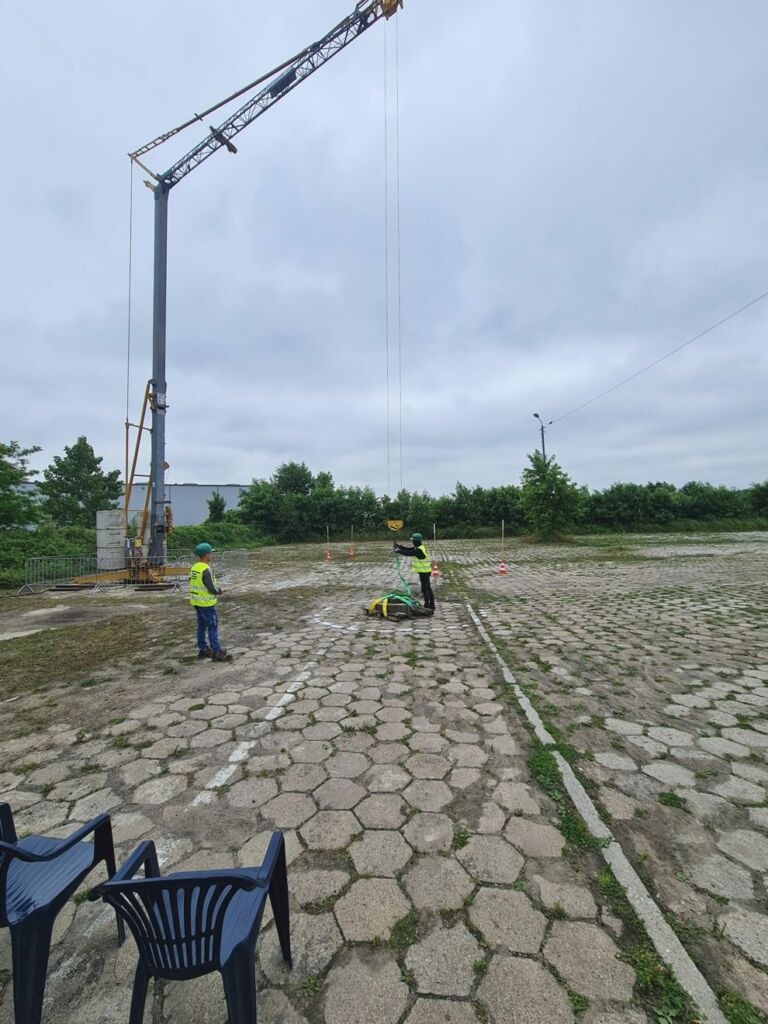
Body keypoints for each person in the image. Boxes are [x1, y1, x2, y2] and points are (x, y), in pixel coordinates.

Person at [189, 542, 233, 662]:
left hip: (197, 602)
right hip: (206, 604)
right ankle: (216, 651)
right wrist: (220, 591)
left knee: (201, 627)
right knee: (212, 626)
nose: (211, 555)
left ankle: (202, 650)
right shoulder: (206, 569)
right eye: (210, 553)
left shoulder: (194, 568)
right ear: (206, 554)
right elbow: (211, 589)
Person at [394, 532, 435, 611]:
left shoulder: (418, 550)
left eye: (413, 541)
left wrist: (398, 551)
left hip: (424, 572)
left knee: (424, 589)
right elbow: (409, 549)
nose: (412, 542)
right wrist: (399, 546)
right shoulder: (420, 547)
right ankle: (432, 605)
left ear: (416, 541)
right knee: (428, 588)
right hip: (425, 571)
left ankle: (427, 605)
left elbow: (408, 553)